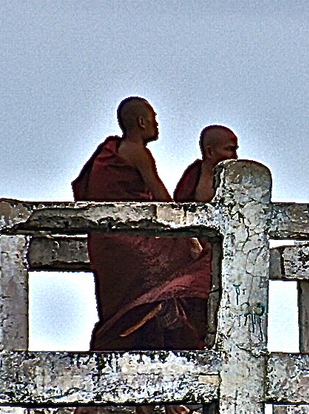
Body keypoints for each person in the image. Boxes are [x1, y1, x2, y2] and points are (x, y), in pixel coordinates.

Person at [71, 97, 212, 350]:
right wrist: (189, 234)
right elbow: (161, 198)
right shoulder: (137, 152)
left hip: (107, 243)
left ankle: (155, 315)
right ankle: (164, 310)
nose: (157, 124)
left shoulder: (114, 151)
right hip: (132, 241)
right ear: (141, 121)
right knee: (200, 261)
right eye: (154, 118)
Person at [173, 125, 240, 203]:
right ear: (209, 152)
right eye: (230, 149)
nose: (235, 156)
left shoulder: (237, 178)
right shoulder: (194, 174)